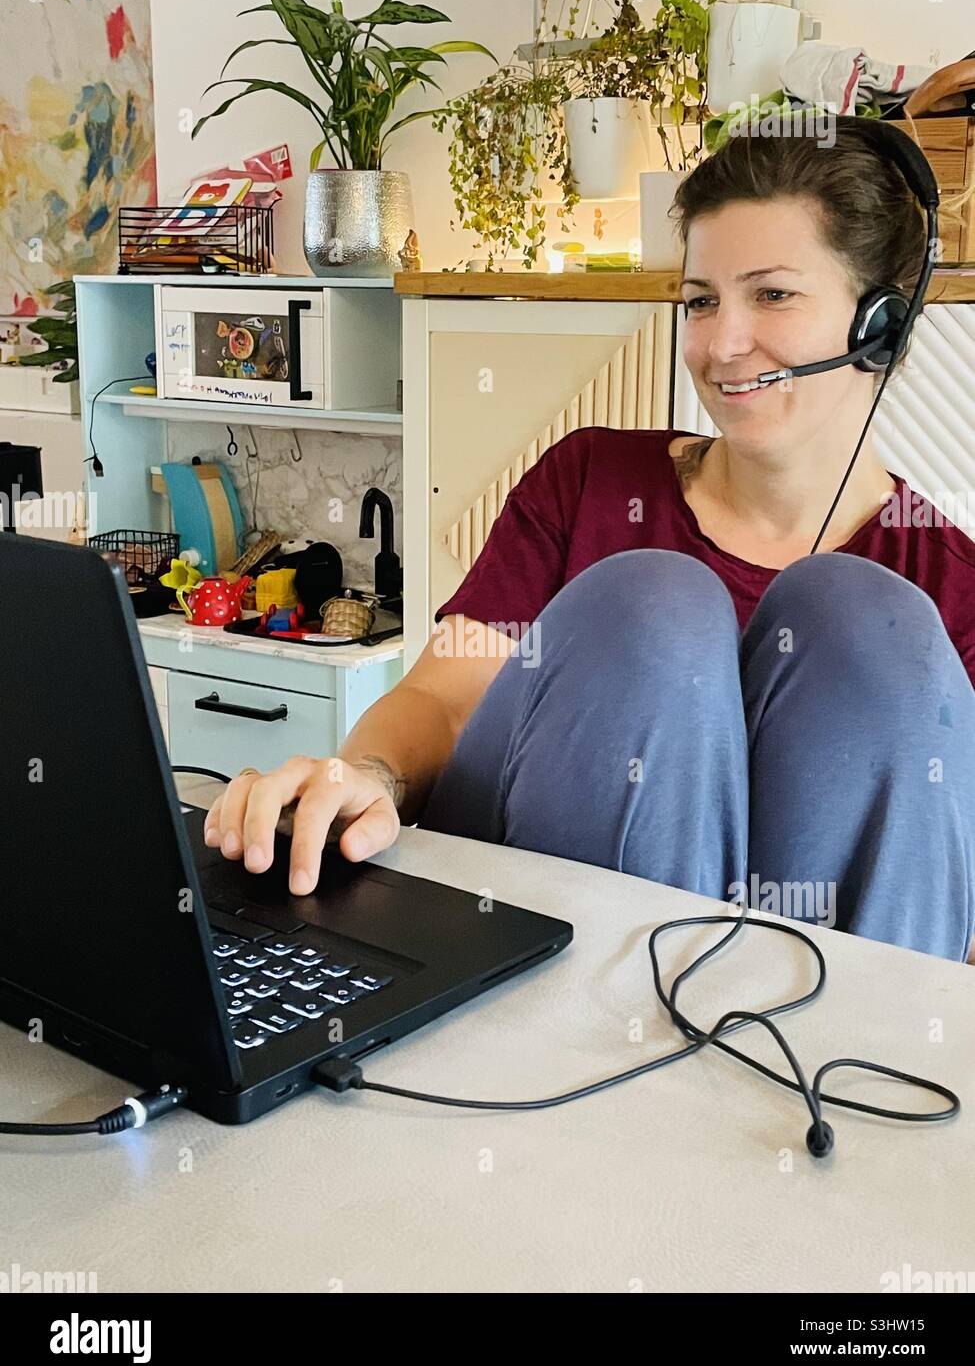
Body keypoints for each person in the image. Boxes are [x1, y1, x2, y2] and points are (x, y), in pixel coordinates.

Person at [204, 118, 975, 963]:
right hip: (540, 932)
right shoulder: (589, 478)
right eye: (700, 300)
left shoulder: (946, 582)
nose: (721, 344)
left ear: (881, 324)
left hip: (801, 1025)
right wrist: (365, 777)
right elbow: (444, 696)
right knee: (655, 601)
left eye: (772, 294)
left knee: (871, 621)